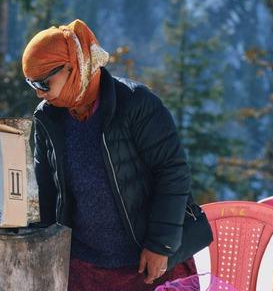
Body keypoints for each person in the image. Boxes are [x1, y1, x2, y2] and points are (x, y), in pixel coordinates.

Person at [22, 19, 211, 290]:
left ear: (72, 66)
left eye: (43, 82)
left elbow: (172, 172)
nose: (39, 92)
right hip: (87, 268)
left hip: (150, 263)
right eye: (32, 84)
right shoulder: (48, 118)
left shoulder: (136, 105)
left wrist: (161, 245)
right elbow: (46, 188)